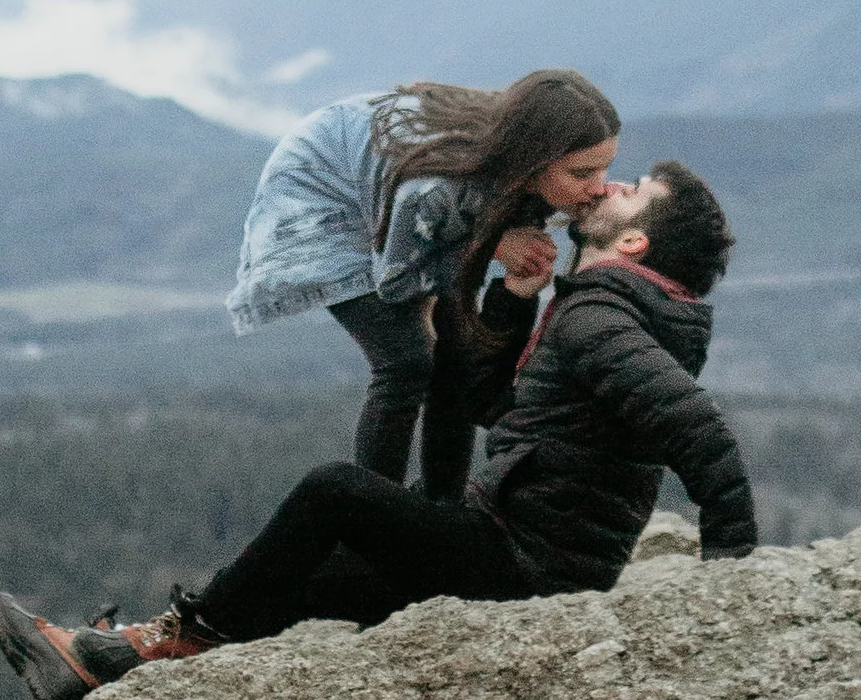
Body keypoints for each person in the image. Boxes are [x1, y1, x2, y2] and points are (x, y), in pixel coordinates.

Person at [0, 160, 753, 700]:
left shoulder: (602, 319)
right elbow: (495, 406)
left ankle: (163, 642)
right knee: (320, 573)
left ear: (633, 243)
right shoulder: (607, 312)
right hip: (516, 545)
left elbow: (702, 433)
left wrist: (731, 583)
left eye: (631, 192)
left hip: (524, 565)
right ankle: (111, 665)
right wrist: (516, 299)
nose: (609, 186)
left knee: (334, 493)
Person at [224, 71, 621, 497]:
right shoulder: (435, 190)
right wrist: (491, 245)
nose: (597, 186)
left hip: (400, 196)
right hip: (321, 194)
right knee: (406, 362)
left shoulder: (519, 167)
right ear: (532, 161)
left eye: (604, 169)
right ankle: (375, 513)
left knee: (457, 355)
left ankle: (441, 504)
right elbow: (396, 281)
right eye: (582, 173)